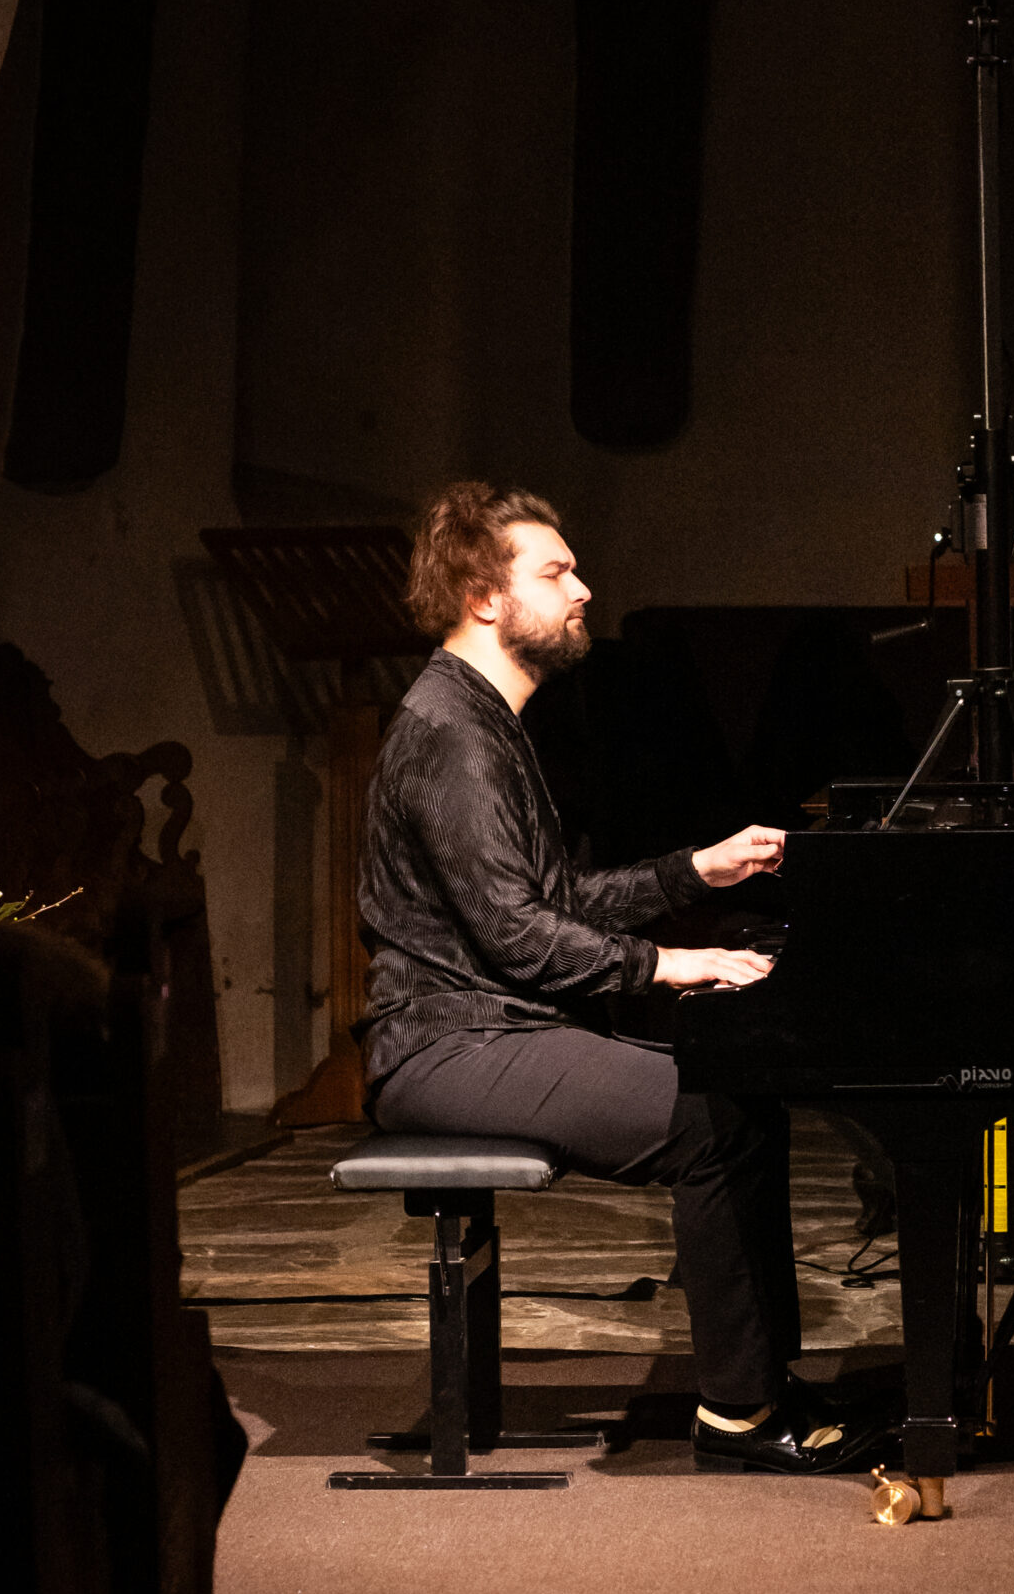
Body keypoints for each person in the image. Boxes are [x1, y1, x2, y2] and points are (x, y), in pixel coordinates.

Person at [358, 480, 890, 1475]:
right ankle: (740, 1412)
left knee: (740, 1089)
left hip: (486, 1027)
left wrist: (695, 870)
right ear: (482, 595)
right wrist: (673, 962)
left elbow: (553, 892)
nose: (585, 589)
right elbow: (522, 938)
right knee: (706, 1114)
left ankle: (763, 1378)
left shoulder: (483, 721)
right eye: (555, 572)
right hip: (443, 1042)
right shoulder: (451, 735)